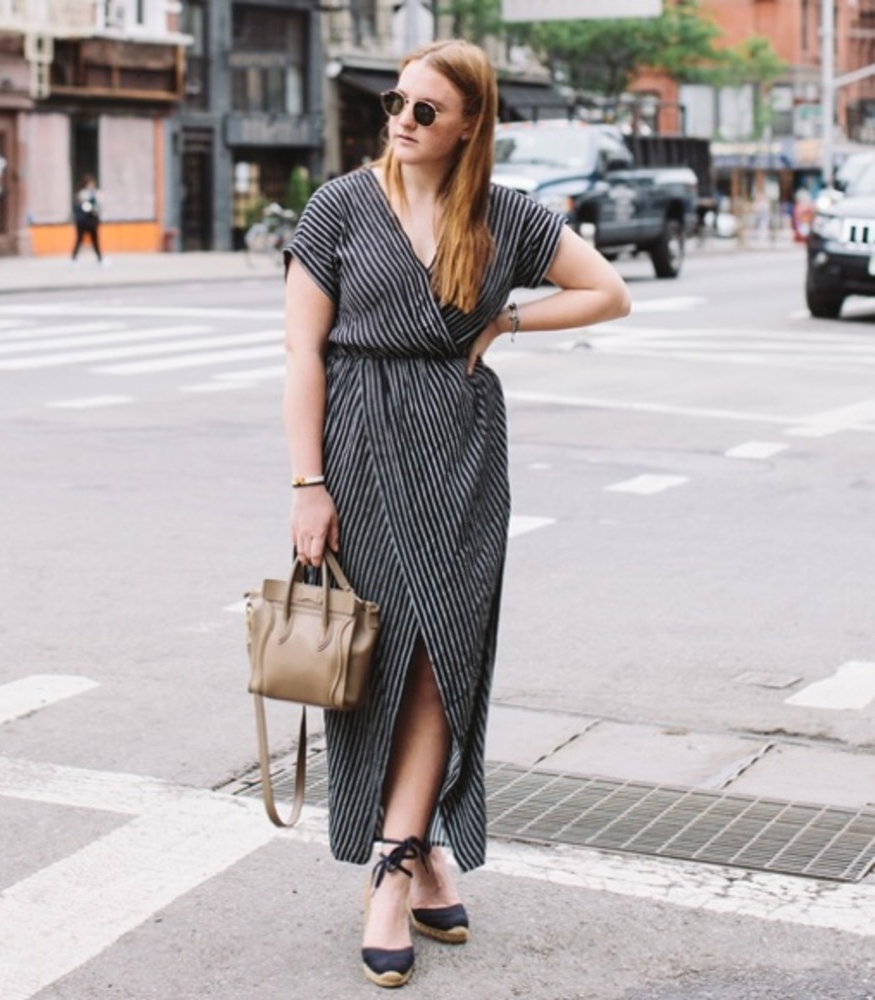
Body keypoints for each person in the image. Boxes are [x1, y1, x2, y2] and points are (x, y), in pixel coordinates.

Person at [282, 39, 630, 989]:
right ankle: (418, 850)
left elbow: (609, 292)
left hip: (465, 458)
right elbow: (303, 357)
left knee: (444, 660)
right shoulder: (339, 208)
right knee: (374, 655)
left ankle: (393, 868)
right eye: (397, 100)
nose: (402, 118)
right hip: (359, 450)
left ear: (471, 123)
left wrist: (507, 320)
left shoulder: (501, 215)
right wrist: (307, 486)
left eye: (426, 109)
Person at [71, 174, 104, 263]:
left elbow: (99, 205)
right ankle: (73, 259)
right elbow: (84, 206)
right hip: (83, 221)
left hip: (92, 221)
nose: (91, 185)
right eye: (90, 184)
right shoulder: (83, 194)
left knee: (95, 240)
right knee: (79, 240)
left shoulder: (96, 193)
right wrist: (91, 208)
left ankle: (100, 259)